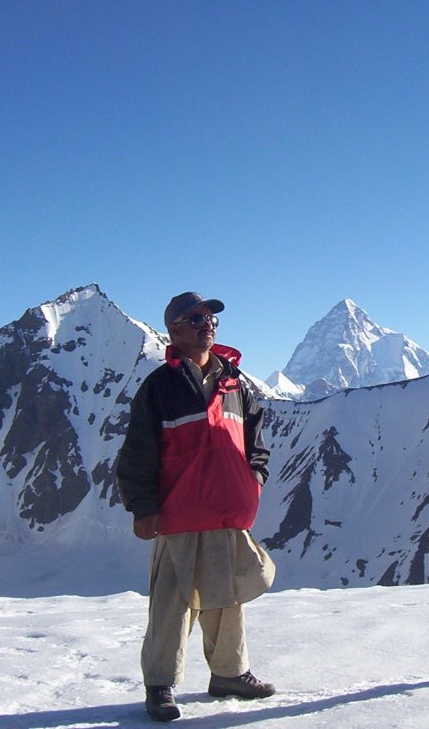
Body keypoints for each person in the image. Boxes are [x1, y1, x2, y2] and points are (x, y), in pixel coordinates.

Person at [115, 291, 276, 722]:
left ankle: (230, 673)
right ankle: (160, 685)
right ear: (174, 330)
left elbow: (255, 443)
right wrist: (143, 507)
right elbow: (138, 453)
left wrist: (253, 480)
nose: (207, 324)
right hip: (179, 513)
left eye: (211, 318)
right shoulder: (160, 387)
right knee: (171, 602)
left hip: (226, 512)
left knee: (228, 599)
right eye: (196, 318)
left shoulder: (235, 383)